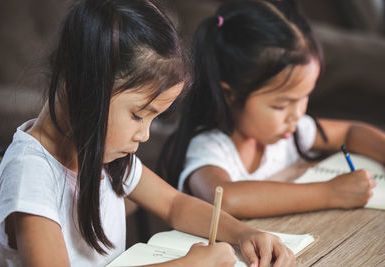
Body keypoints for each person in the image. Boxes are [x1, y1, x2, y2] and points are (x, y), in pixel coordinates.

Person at [0, 0, 296, 266]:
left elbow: (175, 205)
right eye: (138, 115)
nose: (144, 135)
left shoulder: (101, 150)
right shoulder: (31, 172)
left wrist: (245, 235)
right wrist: (188, 263)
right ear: (82, 87)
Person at [159, 0, 385, 218]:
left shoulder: (291, 131)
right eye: (281, 105)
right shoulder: (210, 147)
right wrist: (331, 193)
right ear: (231, 94)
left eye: (304, 97)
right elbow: (224, 199)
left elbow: (350, 132)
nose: (296, 114)